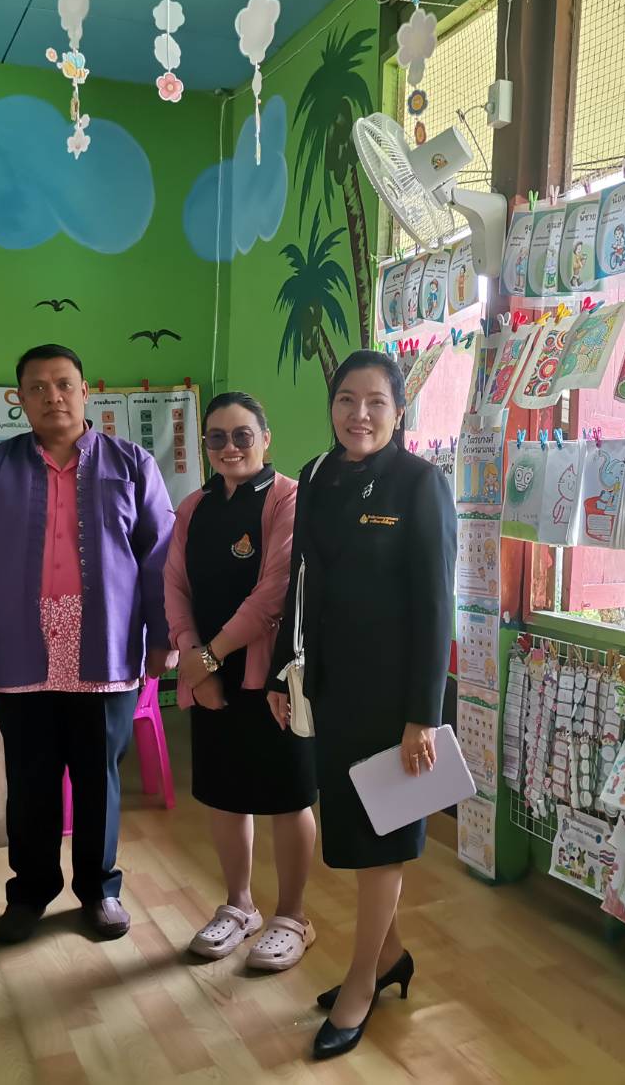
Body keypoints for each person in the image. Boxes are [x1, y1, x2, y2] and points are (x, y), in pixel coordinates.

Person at [0, 344, 176, 946]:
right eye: (37, 387)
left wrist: (165, 638)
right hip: (21, 648)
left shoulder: (132, 463)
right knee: (31, 780)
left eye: (64, 384)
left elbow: (161, 559)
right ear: (20, 400)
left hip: (106, 648)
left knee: (98, 779)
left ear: (86, 391)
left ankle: (100, 890)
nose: (52, 396)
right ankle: (31, 892)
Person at [267, 350, 457, 1060]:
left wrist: (423, 715)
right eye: (347, 400)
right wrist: (281, 671)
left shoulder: (420, 482)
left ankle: (359, 984)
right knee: (353, 834)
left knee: (383, 842)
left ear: (399, 411)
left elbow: (436, 606)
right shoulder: (317, 475)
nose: (360, 414)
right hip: (332, 687)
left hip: (393, 700)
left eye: (376, 401)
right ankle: (391, 957)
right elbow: (300, 582)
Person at [163, 392, 318, 969]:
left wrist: (210, 656)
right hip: (209, 675)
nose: (229, 447)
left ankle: (293, 917)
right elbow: (173, 585)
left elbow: (275, 591)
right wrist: (193, 658)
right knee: (225, 795)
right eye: (217, 438)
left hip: (274, 677)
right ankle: (239, 906)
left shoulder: (289, 500)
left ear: (265, 439)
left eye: (242, 435)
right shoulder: (194, 507)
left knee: (288, 796)